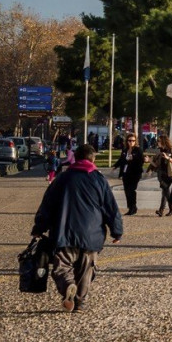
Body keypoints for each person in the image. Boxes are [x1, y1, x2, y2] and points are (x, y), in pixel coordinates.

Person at [31, 143, 123, 312]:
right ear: (92, 159)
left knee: (61, 268)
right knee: (86, 270)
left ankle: (67, 285)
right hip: (92, 233)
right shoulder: (99, 179)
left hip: (64, 231)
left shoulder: (62, 178)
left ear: (76, 158)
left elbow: (47, 205)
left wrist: (39, 227)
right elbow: (111, 207)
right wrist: (117, 231)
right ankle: (80, 302)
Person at [114, 133, 146, 216]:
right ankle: (130, 207)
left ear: (135, 141)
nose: (131, 142)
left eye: (133, 141)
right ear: (127, 141)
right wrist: (115, 166)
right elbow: (121, 160)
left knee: (131, 190)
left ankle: (133, 207)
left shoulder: (138, 150)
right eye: (129, 140)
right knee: (126, 191)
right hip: (126, 173)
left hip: (135, 173)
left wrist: (134, 158)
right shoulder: (125, 150)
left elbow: (141, 161)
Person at [152, 137, 172, 216]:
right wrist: (149, 160)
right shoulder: (160, 151)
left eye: (158, 141)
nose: (157, 142)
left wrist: (168, 158)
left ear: (163, 141)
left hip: (169, 174)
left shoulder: (171, 150)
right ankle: (164, 210)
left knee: (165, 191)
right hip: (162, 175)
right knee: (165, 192)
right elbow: (157, 165)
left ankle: (167, 210)